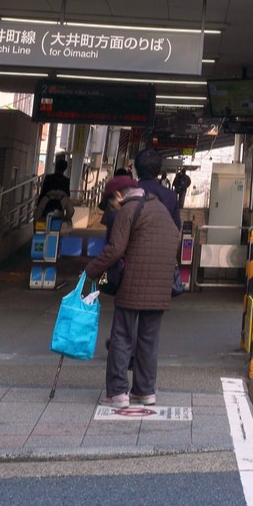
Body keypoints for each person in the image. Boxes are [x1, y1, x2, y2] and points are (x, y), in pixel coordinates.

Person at [85, 149, 180, 408]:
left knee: (122, 336)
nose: (112, 209)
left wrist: (90, 271)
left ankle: (117, 392)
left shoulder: (128, 209)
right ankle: (145, 391)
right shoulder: (159, 206)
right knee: (148, 340)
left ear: (117, 195)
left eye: (111, 204)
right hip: (160, 286)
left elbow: (115, 249)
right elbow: (175, 235)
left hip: (133, 285)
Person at [37, 154, 71, 219]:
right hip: (60, 204)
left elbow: (43, 192)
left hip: (46, 202)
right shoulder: (66, 180)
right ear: (65, 169)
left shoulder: (48, 177)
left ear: (56, 166)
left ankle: (37, 224)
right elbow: (67, 194)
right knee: (69, 212)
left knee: (38, 219)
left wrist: (38, 204)